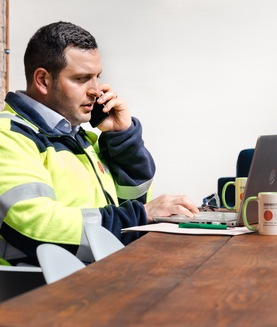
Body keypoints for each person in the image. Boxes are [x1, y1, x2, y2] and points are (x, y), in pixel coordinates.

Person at [0, 21, 199, 265]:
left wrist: (123, 139)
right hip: (40, 287)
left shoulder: (78, 138)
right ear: (42, 80)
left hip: (97, 272)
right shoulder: (8, 136)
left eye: (97, 77)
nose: (96, 90)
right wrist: (141, 216)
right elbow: (34, 225)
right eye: (82, 78)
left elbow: (132, 201)